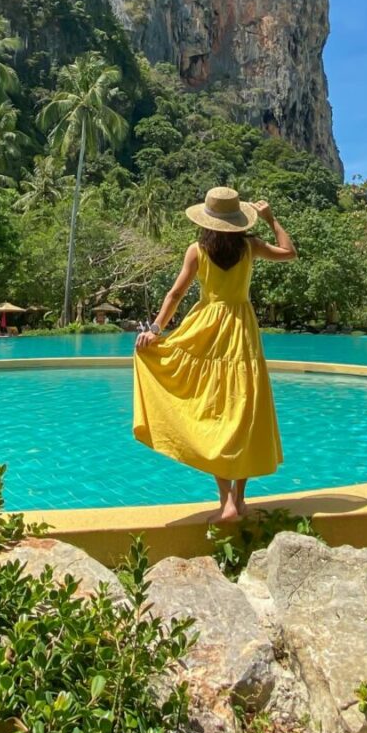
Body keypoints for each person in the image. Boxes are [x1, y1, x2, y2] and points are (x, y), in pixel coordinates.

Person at [133, 187, 296, 523]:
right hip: (241, 329)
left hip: (205, 327)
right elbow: (288, 252)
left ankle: (226, 504)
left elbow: (176, 293)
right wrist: (270, 219)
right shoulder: (250, 246)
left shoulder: (197, 249)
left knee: (213, 411)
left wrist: (155, 330)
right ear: (238, 220)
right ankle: (240, 500)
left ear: (207, 219)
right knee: (243, 408)